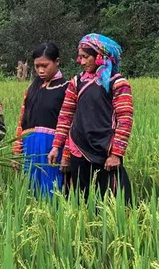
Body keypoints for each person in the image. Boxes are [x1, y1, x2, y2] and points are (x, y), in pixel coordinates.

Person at [48, 34, 133, 204]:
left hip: (104, 151)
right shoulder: (76, 82)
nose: (81, 61)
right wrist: (58, 147)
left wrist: (116, 153)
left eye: (85, 57)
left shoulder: (117, 83)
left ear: (100, 57)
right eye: (80, 57)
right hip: (78, 149)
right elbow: (66, 117)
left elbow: (125, 119)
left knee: (110, 201)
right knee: (81, 201)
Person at [12, 42, 70, 197]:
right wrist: (17, 148)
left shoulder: (67, 87)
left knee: (52, 189)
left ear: (57, 62)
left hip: (51, 147)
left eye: (45, 65)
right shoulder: (32, 88)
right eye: (37, 66)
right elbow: (22, 120)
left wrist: (66, 153)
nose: (41, 70)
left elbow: (70, 123)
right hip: (29, 145)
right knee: (30, 190)